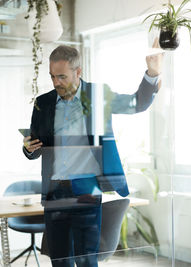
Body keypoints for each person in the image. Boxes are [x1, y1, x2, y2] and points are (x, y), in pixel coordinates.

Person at [22, 40, 163, 267]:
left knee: (87, 259)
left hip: (87, 188)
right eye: (52, 76)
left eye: (62, 77)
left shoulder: (97, 95)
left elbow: (137, 103)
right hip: (55, 191)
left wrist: (152, 73)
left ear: (78, 72)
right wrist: (28, 148)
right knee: (60, 260)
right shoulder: (43, 103)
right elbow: (35, 147)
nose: (56, 82)